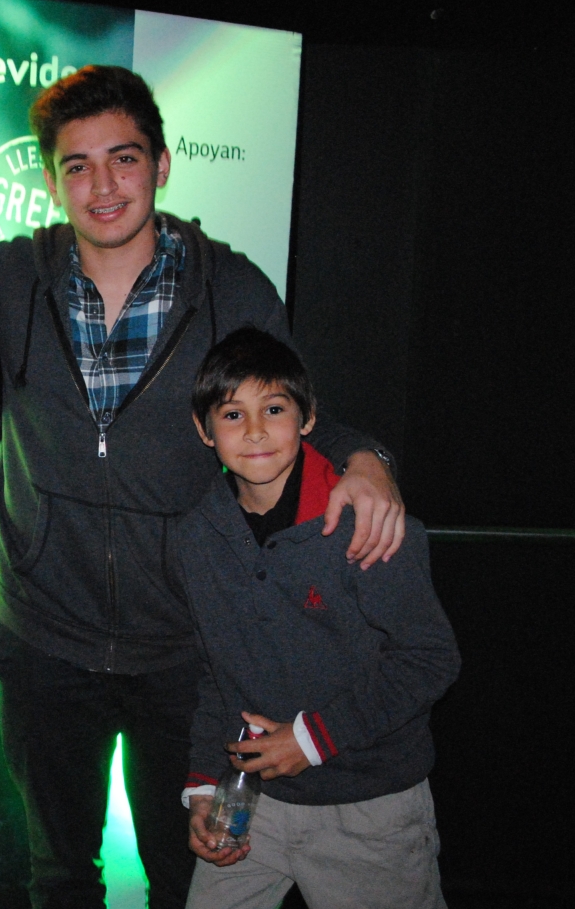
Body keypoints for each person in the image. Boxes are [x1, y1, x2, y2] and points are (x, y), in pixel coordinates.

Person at [0, 65, 405, 908]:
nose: (103, 186)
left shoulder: (231, 287)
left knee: (191, 872)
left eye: (125, 159)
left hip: (187, 649)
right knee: (58, 874)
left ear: (164, 164)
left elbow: (296, 408)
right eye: (77, 165)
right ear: (50, 176)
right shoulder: (9, 281)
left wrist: (369, 460)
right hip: (46, 643)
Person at [176, 326, 459, 908]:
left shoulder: (366, 524)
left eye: (274, 408)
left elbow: (430, 658)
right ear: (204, 431)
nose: (255, 430)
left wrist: (311, 739)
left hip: (370, 810)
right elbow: (214, 670)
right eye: (232, 415)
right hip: (251, 801)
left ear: (307, 420)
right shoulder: (197, 537)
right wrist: (205, 784)